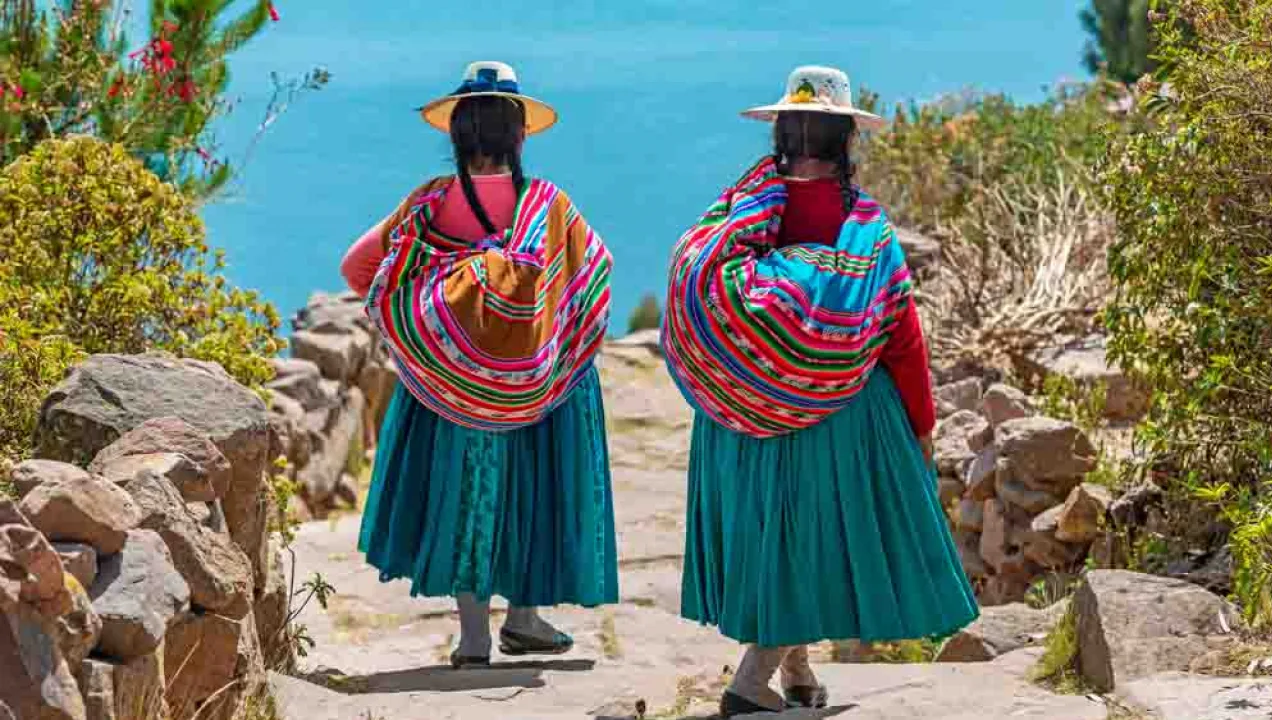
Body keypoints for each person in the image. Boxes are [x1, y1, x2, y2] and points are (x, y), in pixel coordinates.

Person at [662, 65, 979, 716]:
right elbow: (902, 336)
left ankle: (799, 671)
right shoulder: (864, 228)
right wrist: (921, 424)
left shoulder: (740, 210)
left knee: (776, 537)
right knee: (808, 540)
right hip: (838, 414)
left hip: (744, 415)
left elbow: (696, 278)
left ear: (781, 134)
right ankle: (751, 681)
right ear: (845, 140)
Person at [341, 61, 618, 669]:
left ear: (456, 135)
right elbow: (594, 279)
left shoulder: (429, 207)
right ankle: (525, 617)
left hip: (449, 392)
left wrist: (428, 331)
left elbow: (357, 269)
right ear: (520, 136)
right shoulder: (549, 207)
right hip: (539, 391)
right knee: (533, 487)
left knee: (466, 492)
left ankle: (473, 637)